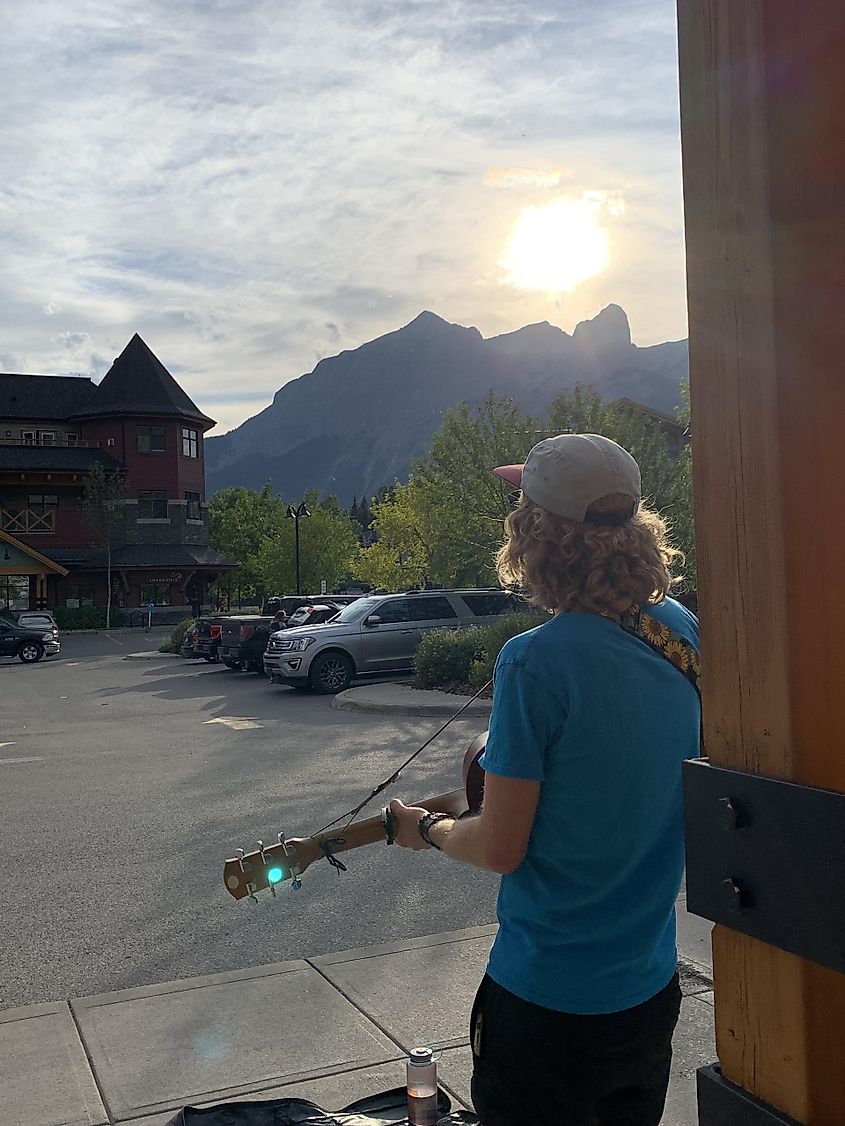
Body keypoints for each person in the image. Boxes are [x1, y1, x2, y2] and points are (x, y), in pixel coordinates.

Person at [388, 433, 700, 1126]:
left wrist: (427, 828)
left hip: (547, 997)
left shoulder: (535, 661)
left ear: (534, 535)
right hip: (646, 987)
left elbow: (501, 848)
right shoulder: (680, 631)